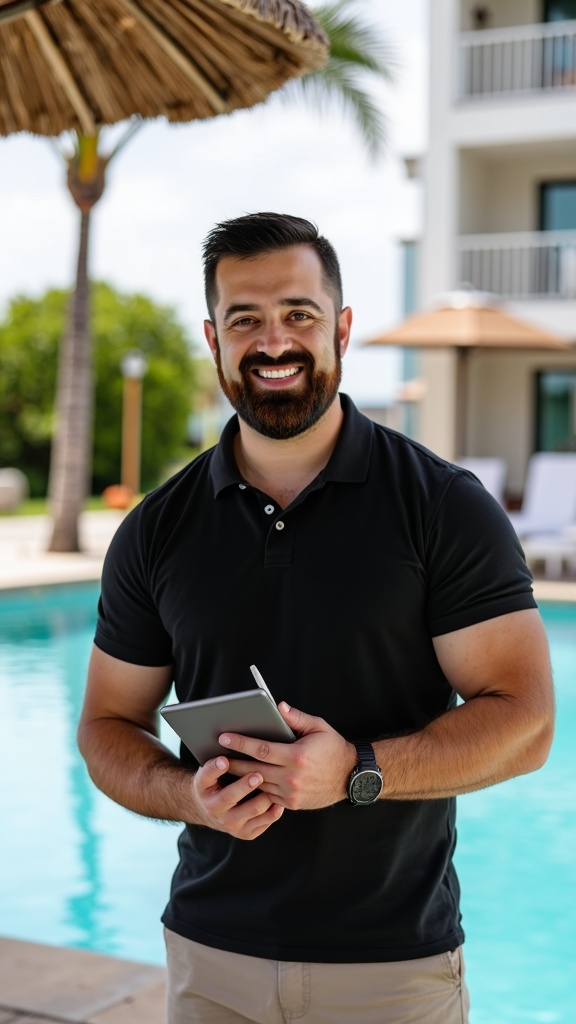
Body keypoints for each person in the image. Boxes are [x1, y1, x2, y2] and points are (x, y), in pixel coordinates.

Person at [78, 212, 554, 1024]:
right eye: (245, 319)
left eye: (298, 314)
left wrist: (358, 771)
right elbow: (106, 724)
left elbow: (528, 723)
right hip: (210, 957)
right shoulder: (157, 528)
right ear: (213, 338)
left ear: (340, 328)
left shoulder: (442, 508)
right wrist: (188, 796)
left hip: (391, 968)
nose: (274, 342)